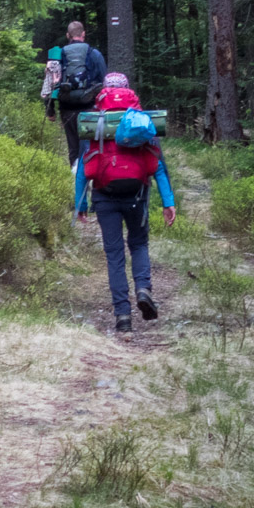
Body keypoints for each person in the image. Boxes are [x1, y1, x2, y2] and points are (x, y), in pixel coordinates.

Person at [73, 73, 176, 332]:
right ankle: (143, 289)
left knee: (114, 255)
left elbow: (84, 168)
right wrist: (168, 202)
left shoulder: (95, 122)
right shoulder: (141, 121)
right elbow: (159, 165)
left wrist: (81, 204)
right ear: (129, 91)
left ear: (104, 92)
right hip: (137, 194)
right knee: (139, 244)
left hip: (104, 195)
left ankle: (122, 317)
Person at [52, 21, 105, 166]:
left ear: (68, 35)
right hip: (89, 107)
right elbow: (103, 82)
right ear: (83, 34)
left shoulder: (59, 55)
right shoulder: (94, 54)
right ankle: (90, 178)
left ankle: (77, 181)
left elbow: (51, 84)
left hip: (67, 109)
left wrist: (50, 110)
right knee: (89, 146)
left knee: (73, 147)